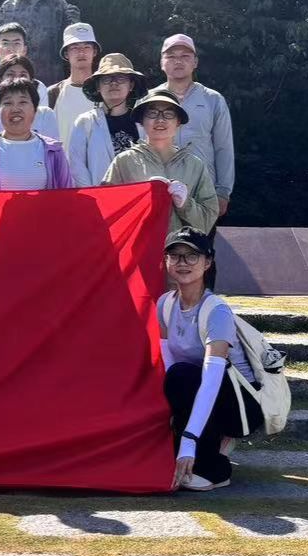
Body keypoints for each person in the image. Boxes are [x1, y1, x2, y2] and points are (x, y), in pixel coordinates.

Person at [159, 227, 261, 491]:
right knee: (176, 377)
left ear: (207, 262)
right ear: (166, 261)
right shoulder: (165, 305)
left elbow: (212, 379)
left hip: (241, 405)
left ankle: (215, 469)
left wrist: (188, 440)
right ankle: (208, 443)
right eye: (175, 255)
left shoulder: (216, 311)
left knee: (183, 377)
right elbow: (169, 368)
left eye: (192, 256)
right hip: (197, 389)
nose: (183, 263)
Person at [101, 91, 220, 234]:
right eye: (152, 113)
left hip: (179, 247)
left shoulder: (194, 165)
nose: (160, 120)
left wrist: (185, 204)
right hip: (140, 246)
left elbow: (207, 221)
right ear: (142, 121)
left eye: (169, 114)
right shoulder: (124, 161)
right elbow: (106, 210)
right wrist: (140, 200)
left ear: (178, 122)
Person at [150, 32, 236, 218]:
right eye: (171, 56)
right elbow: (142, 149)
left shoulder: (213, 99)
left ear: (195, 62)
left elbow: (224, 148)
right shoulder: (148, 101)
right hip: (160, 192)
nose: (178, 61)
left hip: (203, 192)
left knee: (201, 238)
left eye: (185, 56)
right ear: (161, 62)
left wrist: (223, 191)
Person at [0, 77, 74, 190]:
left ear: (35, 110)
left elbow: (67, 195)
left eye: (23, 102)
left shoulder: (54, 151)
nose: (15, 109)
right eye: (8, 103)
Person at [69, 53, 146, 186]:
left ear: (131, 85)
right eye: (106, 79)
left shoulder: (143, 122)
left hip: (137, 195)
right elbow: (77, 166)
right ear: (98, 86)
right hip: (98, 195)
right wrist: (93, 194)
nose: (114, 83)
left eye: (121, 78)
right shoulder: (85, 122)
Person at [0, 56, 61, 140]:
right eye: (10, 75)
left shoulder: (45, 115)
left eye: (23, 75)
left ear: (31, 81)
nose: (16, 79)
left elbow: (52, 147)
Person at [49, 22, 100, 153]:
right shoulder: (53, 93)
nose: (81, 52)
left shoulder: (105, 91)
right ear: (66, 54)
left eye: (87, 47)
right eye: (75, 48)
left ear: (94, 52)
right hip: (63, 165)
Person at [0, 22, 48, 108]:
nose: (11, 48)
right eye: (5, 43)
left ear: (25, 50)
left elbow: (42, 115)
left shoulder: (38, 87)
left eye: (17, 43)